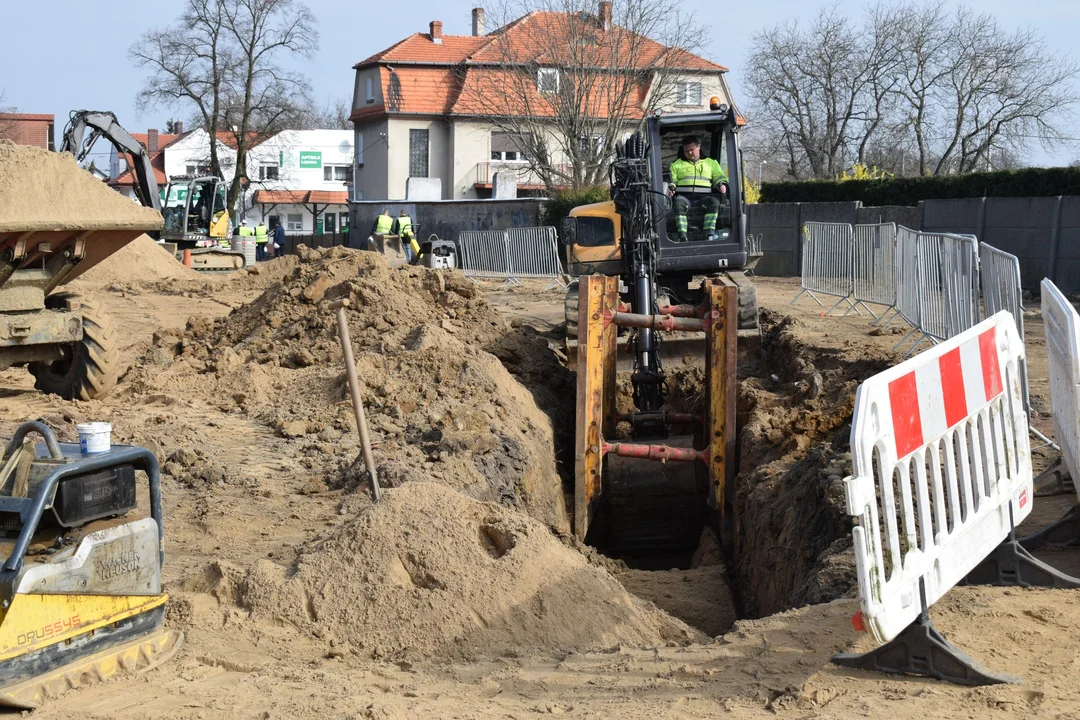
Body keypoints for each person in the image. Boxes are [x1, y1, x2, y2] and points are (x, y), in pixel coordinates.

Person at [669, 135, 728, 242]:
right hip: (684, 197)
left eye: (692, 150)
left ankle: (708, 234)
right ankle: (682, 236)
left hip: (704, 197)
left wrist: (721, 184)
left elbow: (719, 176)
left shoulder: (711, 163)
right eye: (686, 151)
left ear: (699, 147)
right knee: (678, 203)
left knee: (714, 202)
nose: (689, 153)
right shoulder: (676, 165)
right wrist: (671, 188)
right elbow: (672, 180)